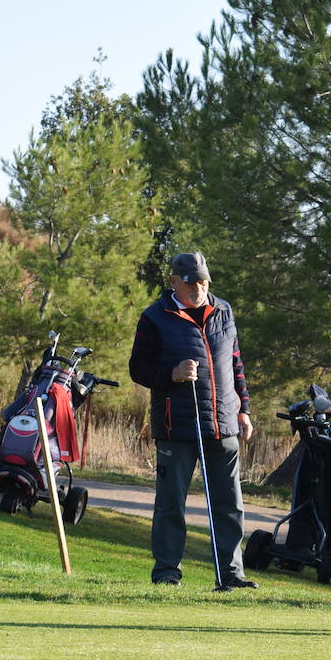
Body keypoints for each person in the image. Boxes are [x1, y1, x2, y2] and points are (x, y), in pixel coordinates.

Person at [128, 252, 256, 588]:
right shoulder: (155, 317)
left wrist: (243, 408)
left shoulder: (224, 311)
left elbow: (236, 364)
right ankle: (167, 572)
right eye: (190, 282)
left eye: (202, 281)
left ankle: (230, 575)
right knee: (172, 504)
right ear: (174, 282)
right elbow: (138, 369)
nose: (198, 288)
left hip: (223, 423)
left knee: (229, 505)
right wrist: (172, 373)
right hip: (177, 427)